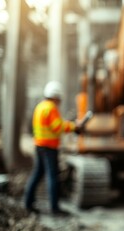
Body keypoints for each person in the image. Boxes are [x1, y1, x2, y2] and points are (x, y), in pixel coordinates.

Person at [24, 81, 83, 216]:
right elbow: (57, 126)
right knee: (52, 177)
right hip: (49, 147)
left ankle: (28, 203)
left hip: (39, 145)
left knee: (38, 174)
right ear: (56, 96)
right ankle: (55, 209)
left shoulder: (40, 107)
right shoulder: (51, 108)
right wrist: (74, 126)